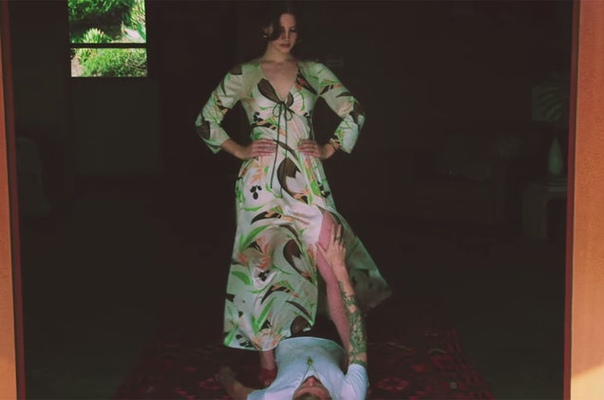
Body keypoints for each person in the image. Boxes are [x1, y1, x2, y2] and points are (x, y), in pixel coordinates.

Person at [194, 0, 391, 387]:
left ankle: (356, 364)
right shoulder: (244, 74)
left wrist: (331, 147)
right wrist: (240, 149)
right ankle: (267, 365)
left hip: (308, 181)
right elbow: (206, 120)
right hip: (260, 185)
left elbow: (353, 110)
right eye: (280, 30)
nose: (287, 38)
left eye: (294, 30)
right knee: (264, 269)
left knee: (333, 263)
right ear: (265, 30)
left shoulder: (314, 71)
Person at [216, 223, 369, 400]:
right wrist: (339, 268)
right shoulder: (350, 396)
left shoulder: (273, 397)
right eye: (318, 386)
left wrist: (225, 376)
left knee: (262, 270)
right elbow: (357, 337)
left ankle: (268, 366)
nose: (310, 380)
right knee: (330, 258)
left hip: (284, 336)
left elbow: (237, 391)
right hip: (332, 336)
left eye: (303, 387)